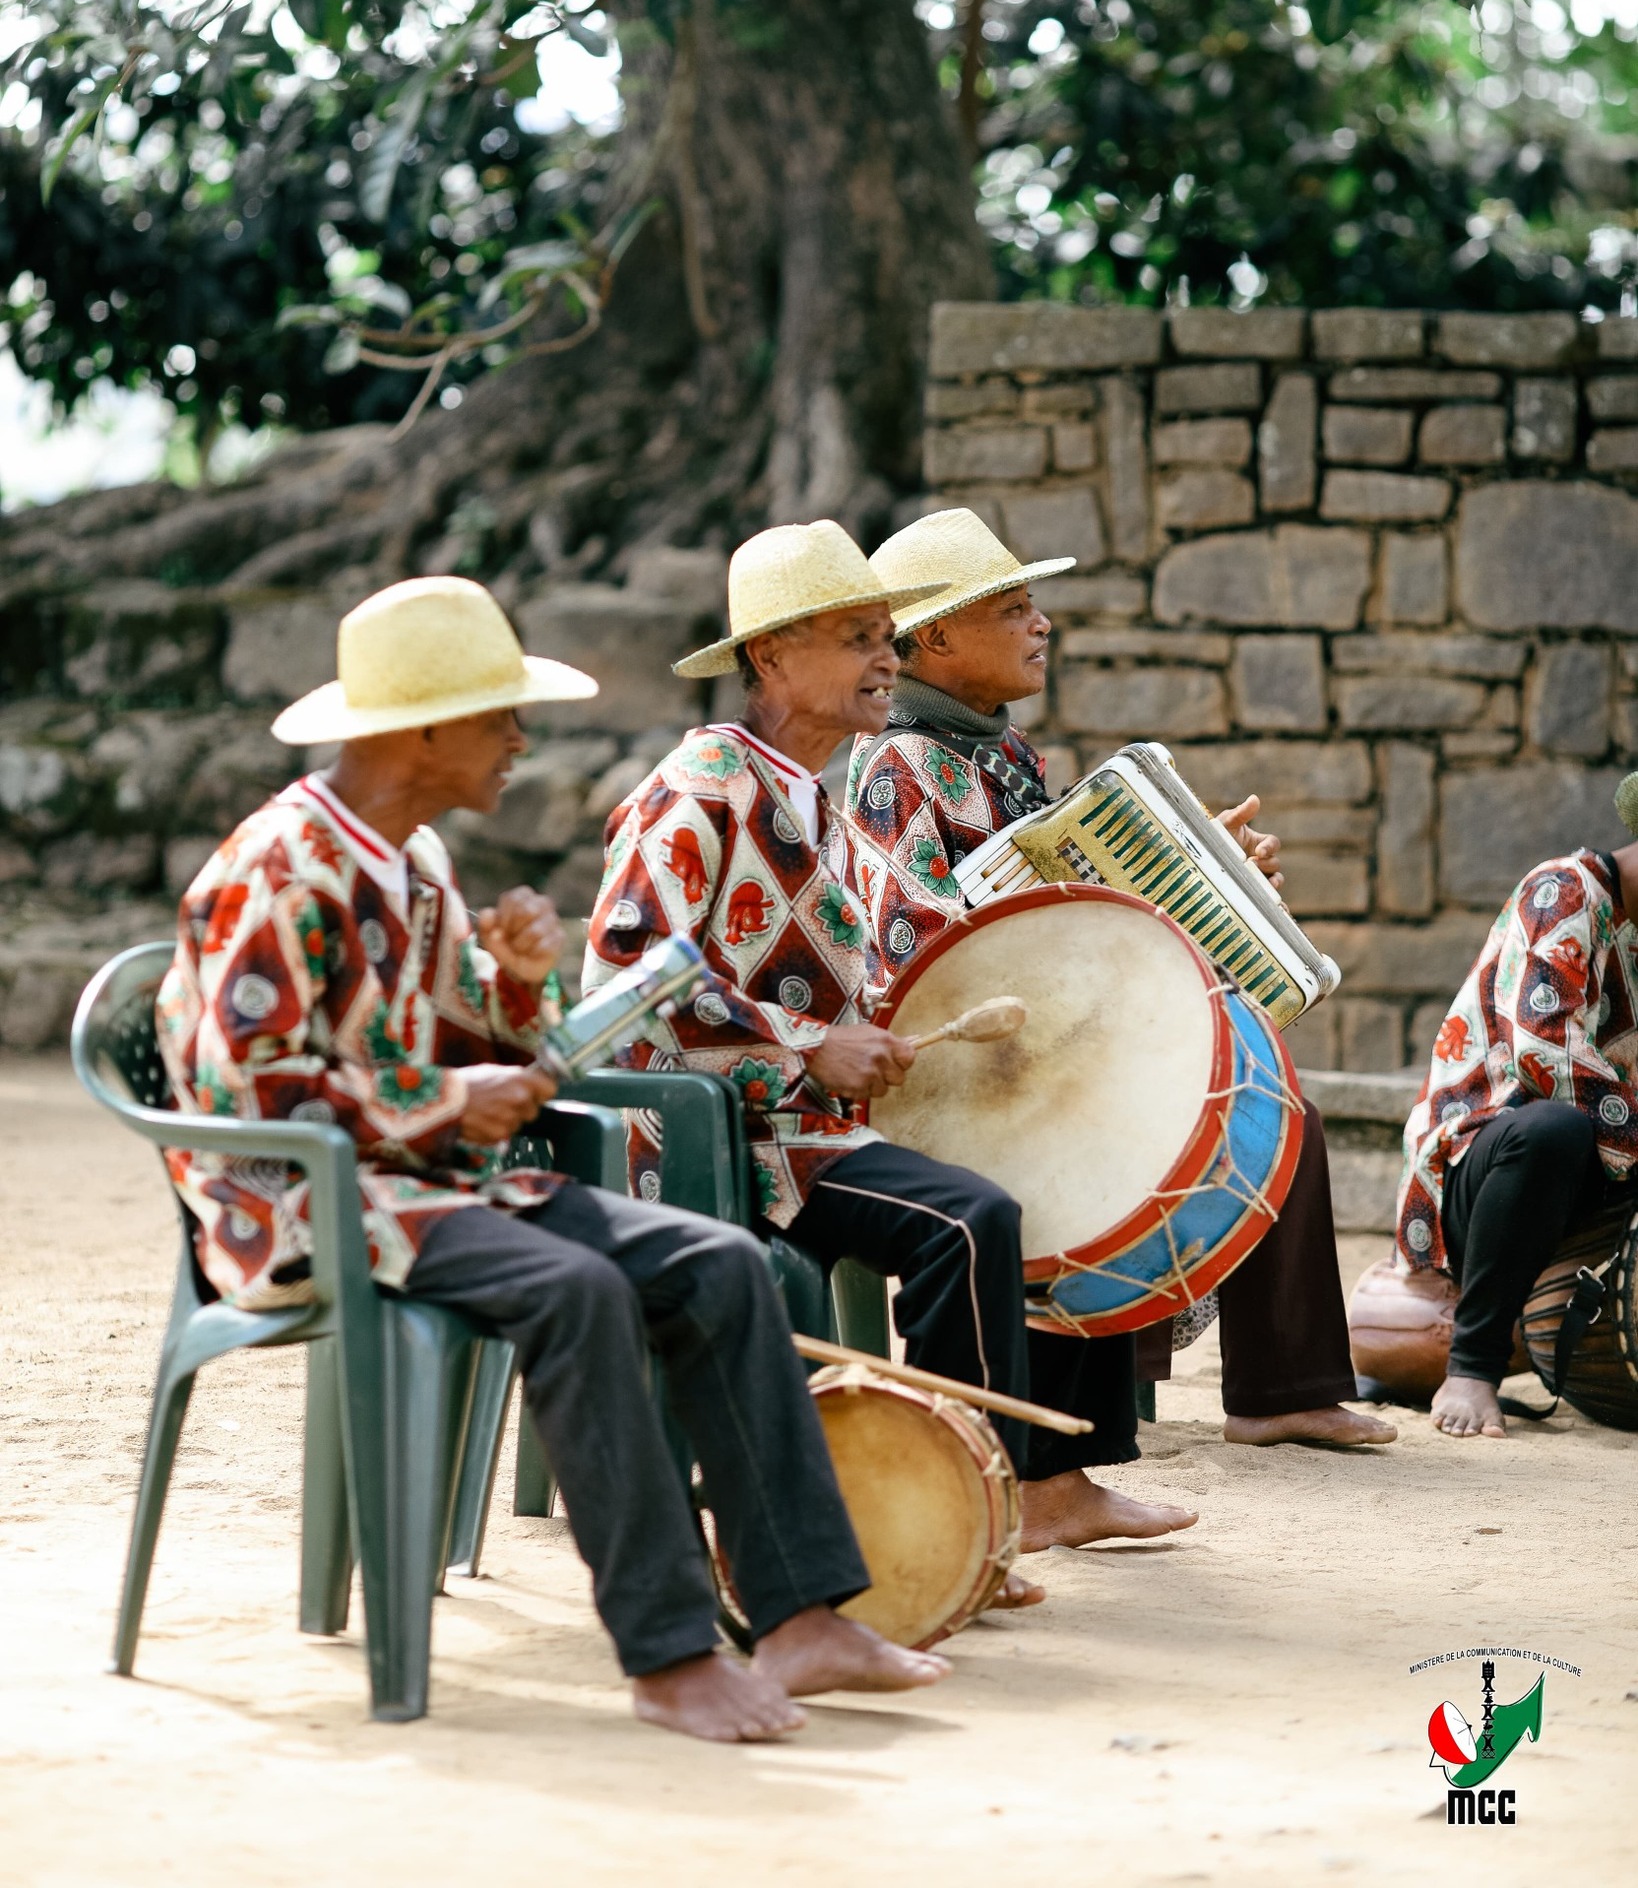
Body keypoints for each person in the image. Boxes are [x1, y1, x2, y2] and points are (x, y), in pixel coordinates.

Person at [156, 574, 944, 1743]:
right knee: (579, 1290)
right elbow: (248, 1093)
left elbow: (485, 1043)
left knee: (720, 1264)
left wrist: (517, 984)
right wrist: (445, 1100)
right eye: (500, 716)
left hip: (435, 1188)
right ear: (424, 731)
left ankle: (800, 1615)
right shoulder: (276, 866)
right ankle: (668, 1652)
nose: (522, 740)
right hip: (301, 1205)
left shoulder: (412, 859)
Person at [585, 519, 1197, 1608]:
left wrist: (871, 1028)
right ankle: (966, 1512)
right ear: (771, 656)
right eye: (858, 638)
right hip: (707, 1146)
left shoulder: (811, 791)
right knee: (969, 1219)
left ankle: (976, 1510)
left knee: (997, 1199)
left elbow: (859, 965)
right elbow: (627, 978)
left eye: (887, 635)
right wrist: (809, 1046)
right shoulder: (703, 785)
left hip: (800, 1135)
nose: (886, 658)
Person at [846, 507, 1394, 1453]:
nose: (1041, 624)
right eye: (1012, 609)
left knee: (1271, 1093)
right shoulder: (898, 765)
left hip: (1056, 1024)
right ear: (934, 640)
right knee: (1167, 1104)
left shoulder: (1001, 751)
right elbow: (915, 949)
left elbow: (1069, 881)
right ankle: (1120, 1394)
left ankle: (1281, 1389)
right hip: (980, 1059)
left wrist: (1209, 866)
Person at [1398, 772, 1638, 1439]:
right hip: (1484, 1162)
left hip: (1599, 1162)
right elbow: (1544, 1053)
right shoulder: (1563, 891)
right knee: (1555, 1129)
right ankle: (1471, 1368)